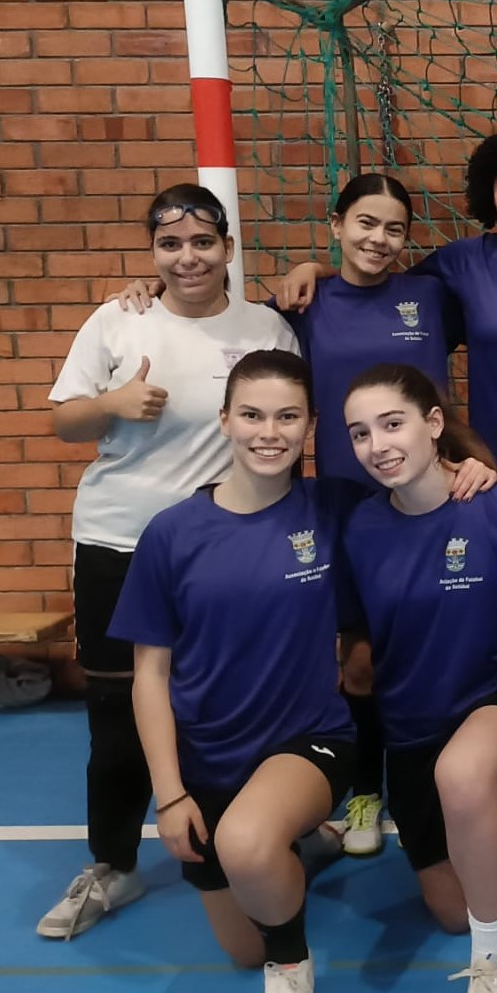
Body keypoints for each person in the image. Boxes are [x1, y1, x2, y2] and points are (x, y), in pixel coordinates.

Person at [41, 186, 299, 940]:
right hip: (121, 541)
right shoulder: (119, 319)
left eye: (202, 242)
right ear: (152, 252)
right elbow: (62, 420)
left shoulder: (266, 328)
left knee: (241, 692)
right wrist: (112, 404)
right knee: (118, 712)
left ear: (227, 246)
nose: (187, 258)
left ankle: (267, 826)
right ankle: (113, 863)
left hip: (228, 552)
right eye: (170, 245)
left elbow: (286, 424)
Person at [109, 352, 360, 993]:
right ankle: (302, 844)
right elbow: (150, 675)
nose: (268, 431)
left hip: (309, 738)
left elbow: (423, 484)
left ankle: (292, 967)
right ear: (225, 420)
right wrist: (170, 795)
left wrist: (469, 466)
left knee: (249, 850)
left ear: (310, 425)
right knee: (240, 942)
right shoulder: (171, 533)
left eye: (287, 416)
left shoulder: (333, 506)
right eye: (251, 414)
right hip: (208, 760)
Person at [337, 362, 497, 993]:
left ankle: (495, 970)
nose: (378, 445)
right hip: (413, 725)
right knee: (451, 912)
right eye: (360, 433)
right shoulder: (360, 528)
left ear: (434, 424)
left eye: (393, 424)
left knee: (462, 774)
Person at [278, 127, 497, 496]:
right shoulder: (462, 261)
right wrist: (317, 270)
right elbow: (374, 279)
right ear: (490, 194)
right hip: (486, 471)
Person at [286, 173, 459, 858]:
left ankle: (482, 774)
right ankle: (365, 788)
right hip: (348, 506)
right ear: (335, 224)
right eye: (364, 223)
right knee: (358, 662)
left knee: (444, 647)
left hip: (430, 503)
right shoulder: (305, 301)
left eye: (393, 228)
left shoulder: (431, 295)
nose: (378, 239)